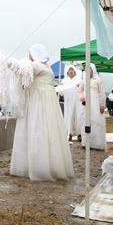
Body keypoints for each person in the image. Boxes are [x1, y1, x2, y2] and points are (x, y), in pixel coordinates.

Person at [9, 45, 74, 181]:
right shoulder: (47, 67)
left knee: (36, 127)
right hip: (48, 99)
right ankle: (51, 164)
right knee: (49, 129)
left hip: (38, 99)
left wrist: (9, 63)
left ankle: (36, 165)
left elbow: (22, 72)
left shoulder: (36, 65)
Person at [77, 63, 106, 150]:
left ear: (93, 70)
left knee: (96, 122)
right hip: (86, 104)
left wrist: (102, 105)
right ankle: (86, 143)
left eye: (89, 69)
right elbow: (79, 91)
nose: (88, 71)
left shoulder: (98, 80)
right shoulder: (83, 81)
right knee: (85, 121)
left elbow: (102, 94)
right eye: (86, 69)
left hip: (96, 104)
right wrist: (82, 98)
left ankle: (97, 144)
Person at [60, 64, 83, 142]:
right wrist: (61, 87)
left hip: (77, 101)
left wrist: (78, 86)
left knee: (79, 116)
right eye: (69, 70)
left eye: (72, 70)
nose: (71, 71)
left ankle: (79, 134)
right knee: (68, 116)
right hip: (68, 101)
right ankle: (69, 133)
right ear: (67, 72)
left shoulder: (79, 80)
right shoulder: (64, 80)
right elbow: (61, 93)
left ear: (75, 71)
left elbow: (82, 90)